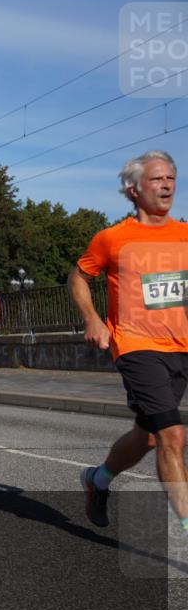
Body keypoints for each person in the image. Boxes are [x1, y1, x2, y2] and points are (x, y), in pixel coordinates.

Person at [69, 150, 188, 534]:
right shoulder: (112, 238)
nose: (167, 184)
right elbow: (79, 277)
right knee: (173, 434)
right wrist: (92, 318)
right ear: (133, 189)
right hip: (136, 346)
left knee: (148, 437)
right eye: (157, 179)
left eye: (171, 177)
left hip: (181, 347)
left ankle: (98, 479)